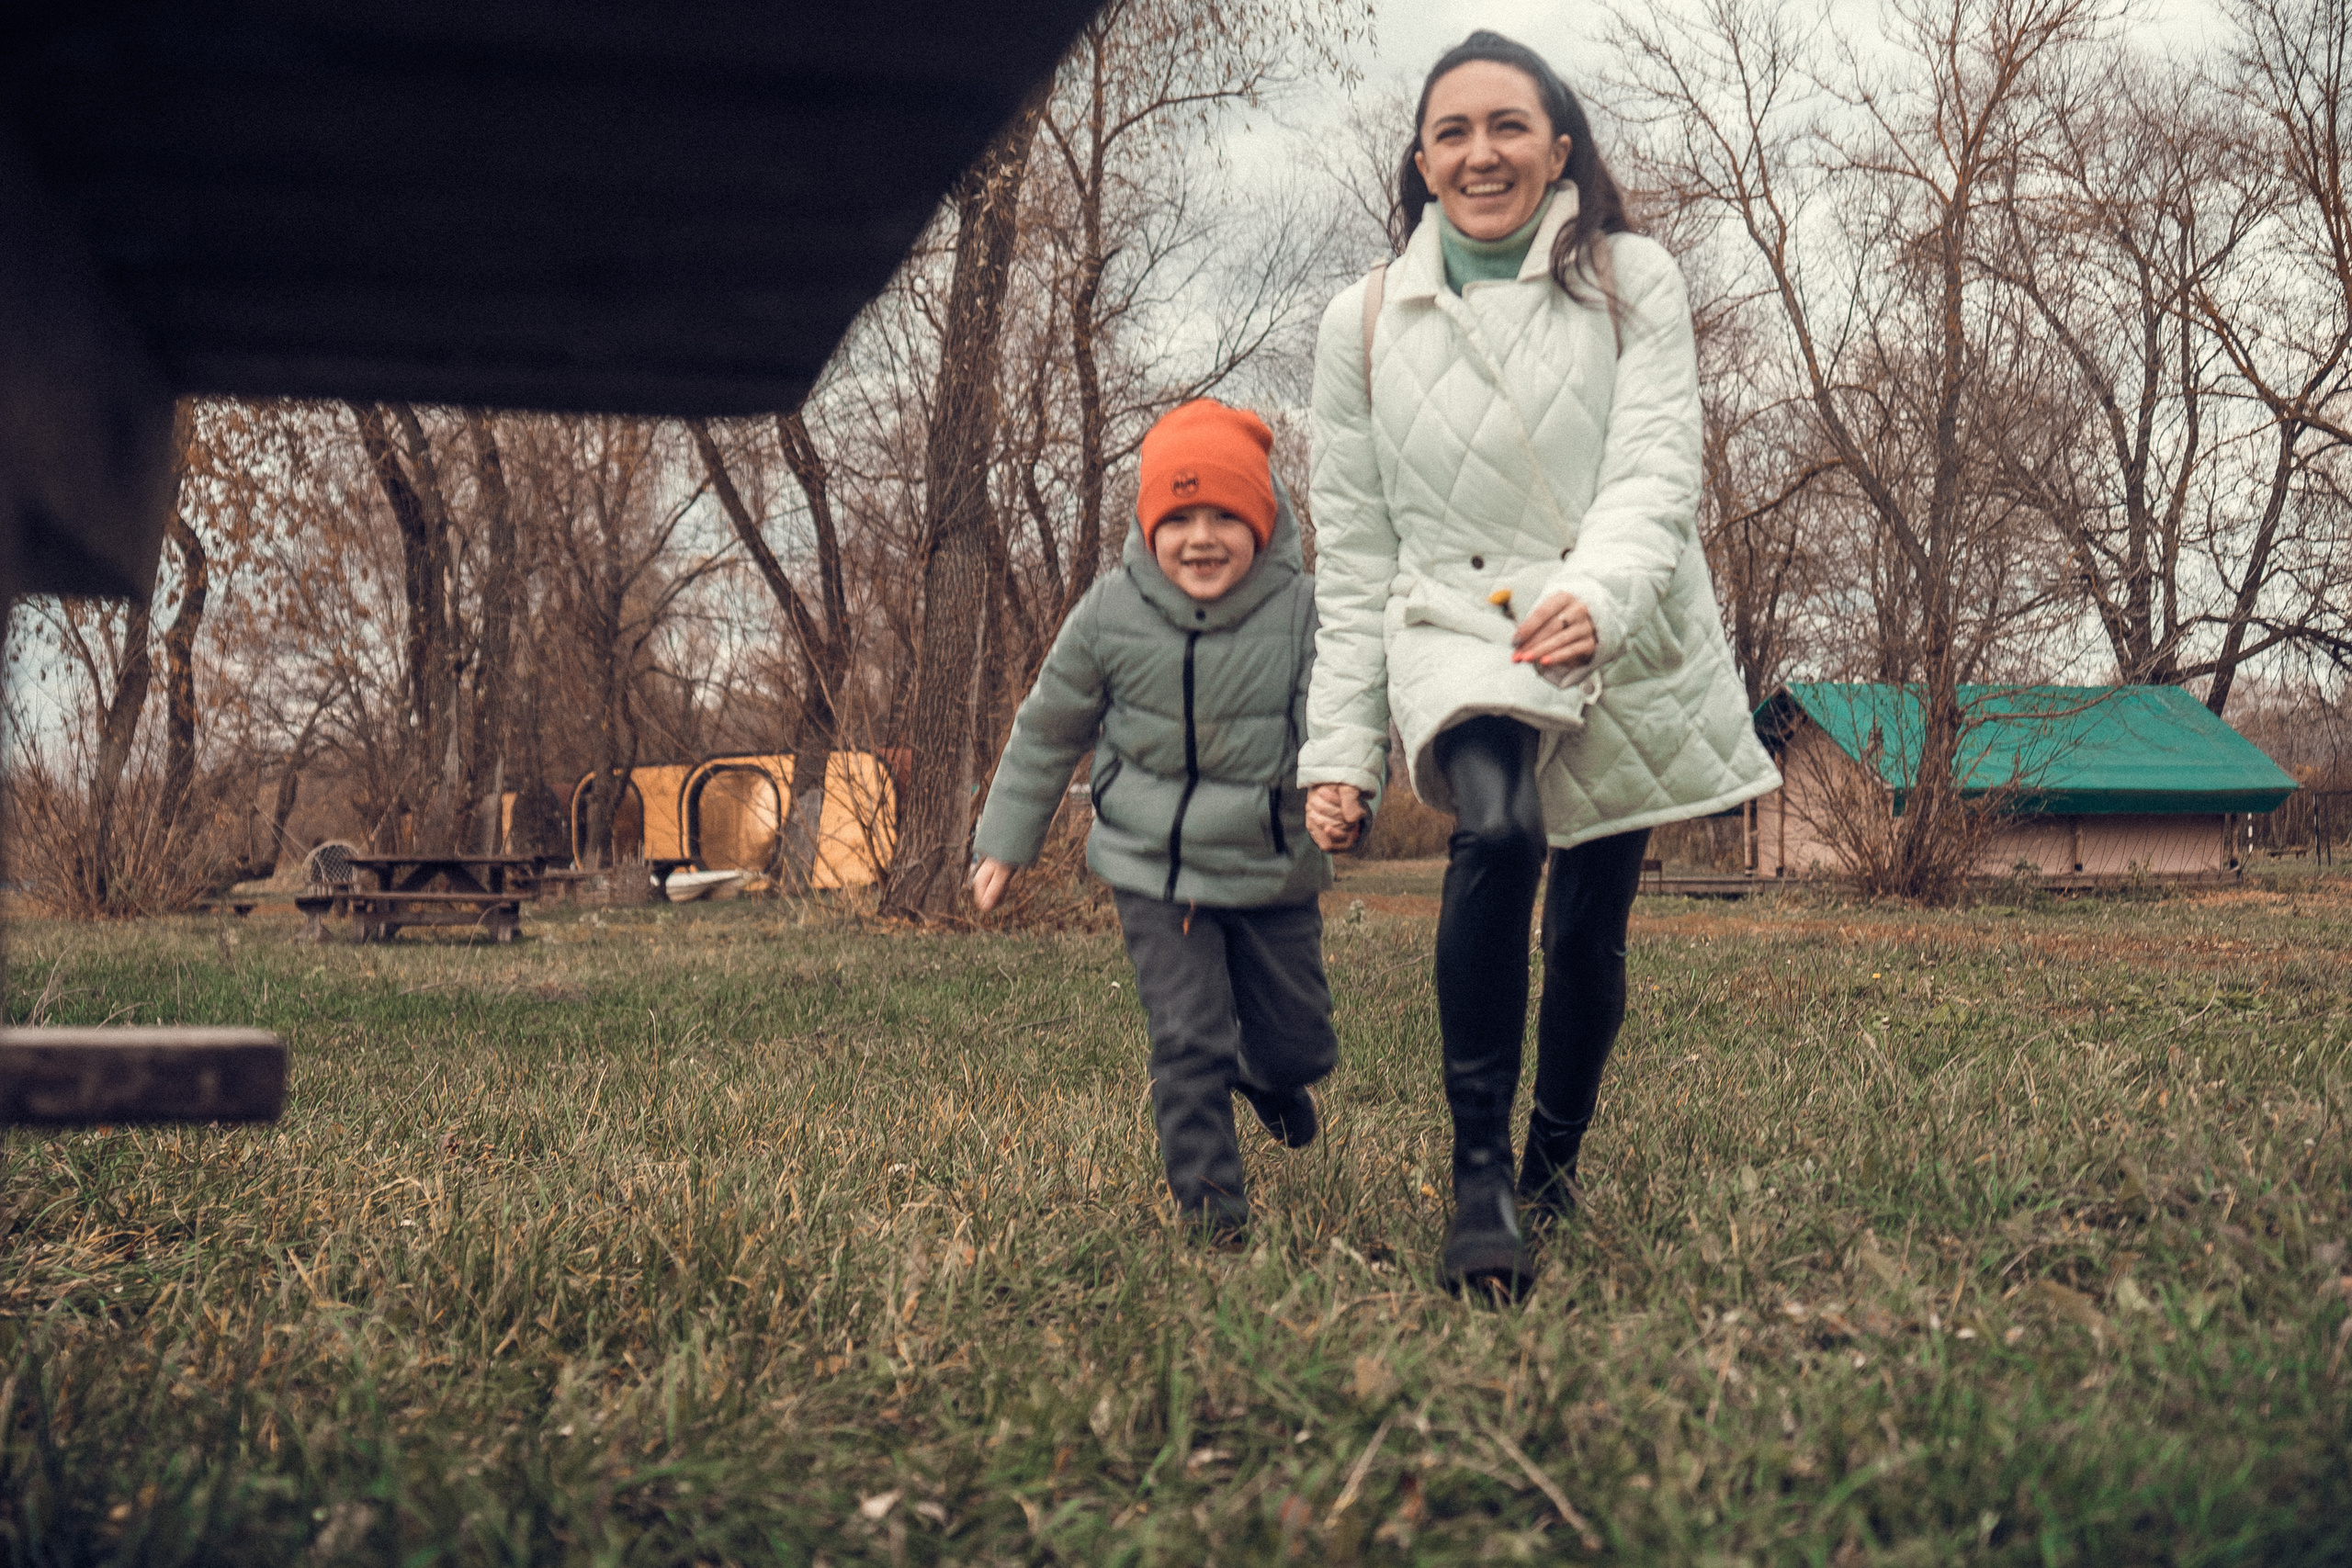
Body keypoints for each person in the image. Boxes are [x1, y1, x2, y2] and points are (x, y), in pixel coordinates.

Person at [1297, 31, 1779, 1297]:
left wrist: (1599, 595)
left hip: (1613, 612)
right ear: (1420, 163)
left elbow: (1657, 468)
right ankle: (1479, 1178)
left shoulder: (1633, 279)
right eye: (1452, 132)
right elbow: (1352, 557)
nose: (1481, 152)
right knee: (1497, 828)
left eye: (1508, 126)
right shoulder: (1357, 327)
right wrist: (1337, 752)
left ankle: (1555, 1160)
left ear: (1559, 147)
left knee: (1590, 927)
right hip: (1454, 621)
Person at [972, 399, 1335, 1242]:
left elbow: (1340, 719)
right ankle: (1214, 1220)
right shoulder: (1110, 612)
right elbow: (1049, 726)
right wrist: (1005, 840)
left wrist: (1340, 790)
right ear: (1149, 525)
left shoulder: (1304, 612)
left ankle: (1267, 1071)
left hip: (1271, 863)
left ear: (1262, 521)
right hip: (1153, 867)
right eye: (1179, 517)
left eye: (1224, 516)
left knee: (1300, 1045)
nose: (1201, 537)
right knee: (1186, 1035)